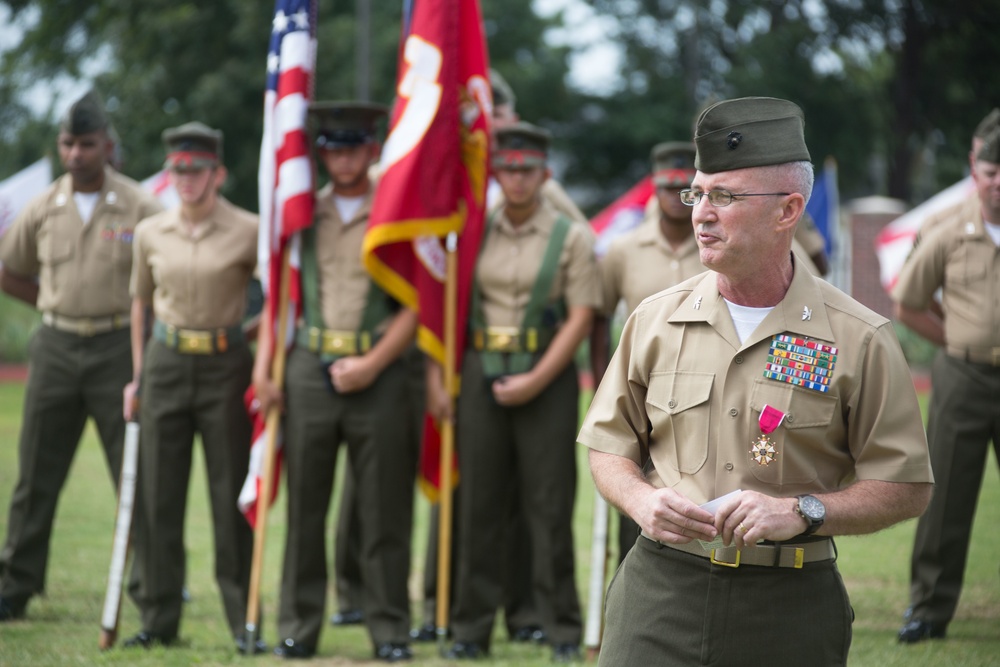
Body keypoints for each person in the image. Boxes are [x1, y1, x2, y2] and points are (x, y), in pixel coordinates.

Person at [578, 96, 934, 665]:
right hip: (660, 594)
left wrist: (803, 512)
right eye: (698, 193)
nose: (700, 212)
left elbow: (907, 486)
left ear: (787, 210)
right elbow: (607, 446)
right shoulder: (654, 319)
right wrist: (642, 501)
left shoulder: (860, 338)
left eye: (725, 196)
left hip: (790, 606)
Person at [253, 101, 418, 662]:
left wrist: (372, 364)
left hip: (380, 369)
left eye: (354, 148)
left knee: (384, 510)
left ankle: (390, 630)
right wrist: (263, 368)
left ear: (373, 151)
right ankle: (298, 627)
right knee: (306, 510)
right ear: (319, 154)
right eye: (333, 149)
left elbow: (420, 303)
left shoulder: (396, 214)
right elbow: (279, 299)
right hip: (307, 370)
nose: (343, 158)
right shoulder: (299, 214)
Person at [435, 122, 598, 662]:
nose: (517, 178)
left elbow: (578, 319)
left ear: (545, 174)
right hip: (480, 373)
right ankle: (470, 630)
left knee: (549, 509)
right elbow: (449, 308)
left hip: (546, 377)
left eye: (527, 169)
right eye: (507, 168)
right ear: (496, 172)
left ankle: (561, 631)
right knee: (478, 506)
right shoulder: (471, 231)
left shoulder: (570, 237)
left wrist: (535, 379)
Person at [0, 90, 162, 622]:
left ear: (108, 146)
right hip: (56, 346)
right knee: (35, 475)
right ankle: (16, 584)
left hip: (120, 346)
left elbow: (170, 270)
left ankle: (152, 588)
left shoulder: (140, 205)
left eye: (86, 144)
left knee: (134, 471)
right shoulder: (43, 206)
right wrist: (50, 303)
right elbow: (9, 269)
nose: (75, 154)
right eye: (68, 143)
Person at [120, 122, 260, 651]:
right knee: (158, 495)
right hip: (166, 362)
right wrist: (138, 376)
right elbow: (140, 304)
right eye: (178, 168)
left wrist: (249, 345)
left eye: (196, 169)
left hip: (227, 367)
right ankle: (157, 618)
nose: (186, 178)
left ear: (217, 173)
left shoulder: (249, 228)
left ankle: (242, 620)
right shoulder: (153, 230)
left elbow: (275, 298)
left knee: (231, 496)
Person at [892, 125, 1000, 644]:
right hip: (964, 374)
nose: (999, 184)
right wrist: (957, 337)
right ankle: (929, 610)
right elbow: (909, 303)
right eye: (991, 173)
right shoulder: (947, 227)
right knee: (948, 494)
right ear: (974, 172)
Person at [590, 141, 703, 564]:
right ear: (653, 188)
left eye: (684, 189)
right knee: (633, 487)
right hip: (641, 389)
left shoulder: (716, 244)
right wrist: (605, 386)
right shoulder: (623, 248)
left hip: (704, 386)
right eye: (667, 187)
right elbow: (599, 320)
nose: (676, 198)